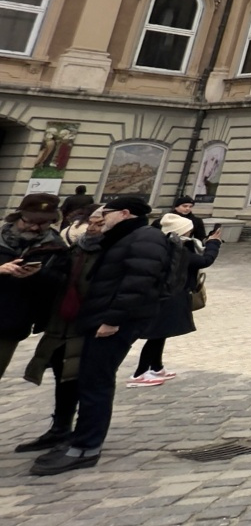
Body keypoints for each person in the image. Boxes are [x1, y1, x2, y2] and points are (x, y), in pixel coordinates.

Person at [31, 196, 173, 475]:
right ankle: (78, 439)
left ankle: (86, 447)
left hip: (115, 323)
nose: (101, 218)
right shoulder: (124, 236)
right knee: (89, 380)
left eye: (105, 214)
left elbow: (138, 283)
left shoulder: (145, 239)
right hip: (100, 318)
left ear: (124, 213)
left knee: (96, 383)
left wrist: (112, 320)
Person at [16, 207, 104, 454]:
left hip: (85, 326)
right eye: (92, 223)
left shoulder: (111, 253)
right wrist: (40, 273)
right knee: (60, 374)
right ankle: (60, 428)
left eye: (99, 224)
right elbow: (59, 281)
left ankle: (79, 433)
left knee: (76, 378)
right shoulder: (75, 250)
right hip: (59, 323)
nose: (93, 228)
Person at [129, 214, 221, 386]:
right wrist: (213, 244)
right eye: (188, 228)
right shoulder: (177, 249)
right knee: (157, 334)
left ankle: (156, 367)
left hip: (172, 292)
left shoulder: (171, 244)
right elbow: (204, 261)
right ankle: (139, 373)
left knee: (163, 332)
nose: (191, 231)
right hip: (171, 293)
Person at [1, 193, 68, 376]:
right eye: (30, 221)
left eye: (43, 223)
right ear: (17, 216)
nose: (35, 227)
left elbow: (62, 282)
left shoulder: (56, 248)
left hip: (12, 322)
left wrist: (40, 274)